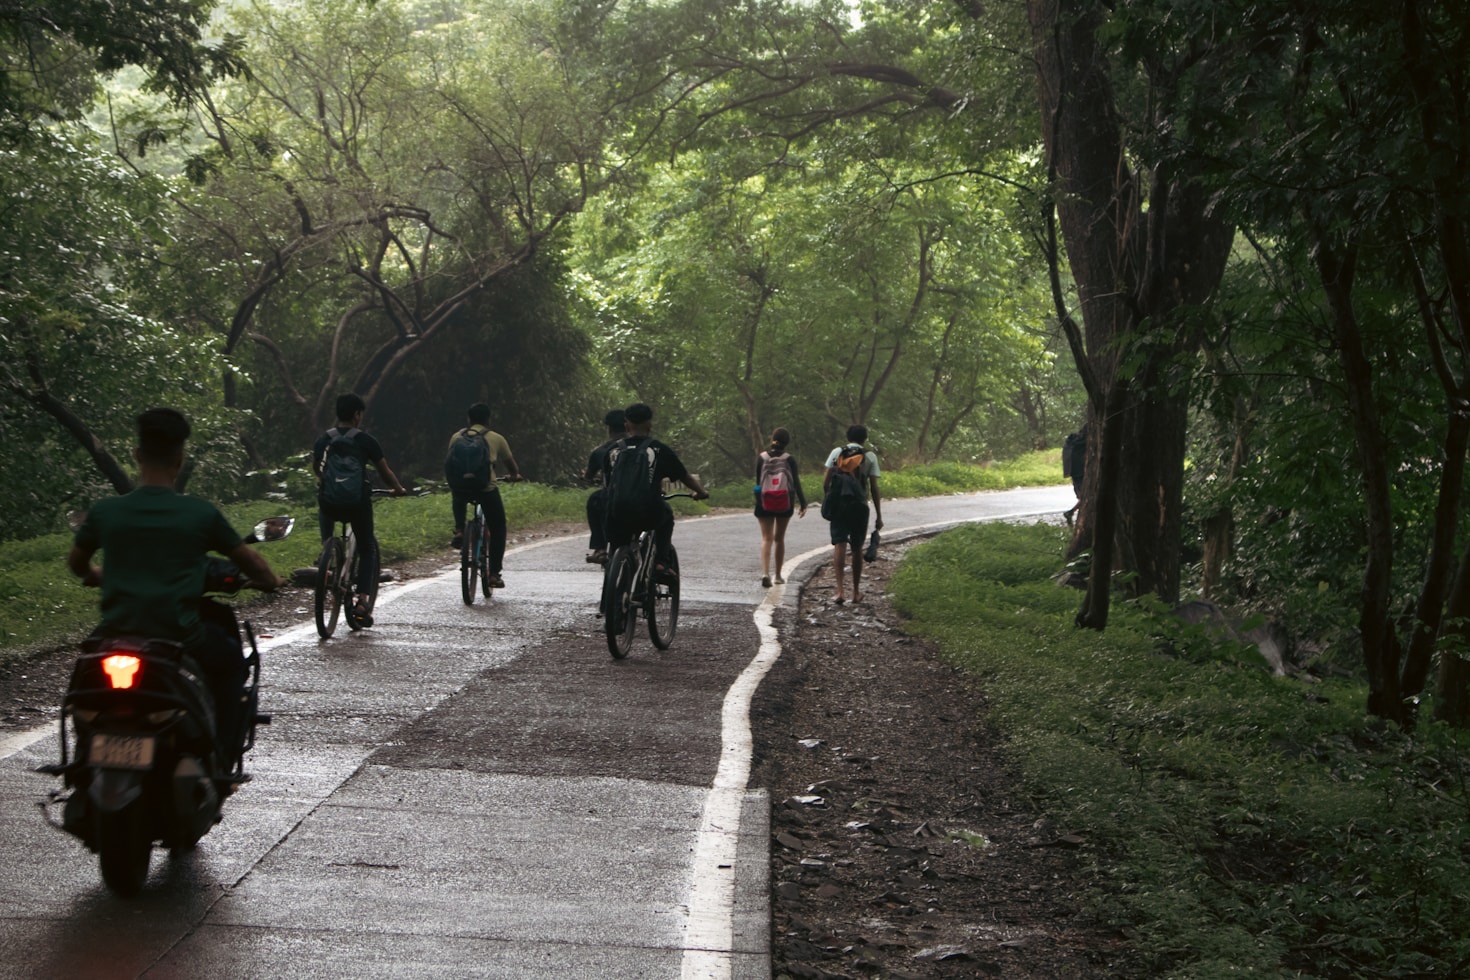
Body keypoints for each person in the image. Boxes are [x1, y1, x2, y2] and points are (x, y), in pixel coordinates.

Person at [67, 407, 287, 769]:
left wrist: (97, 574)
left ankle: (82, 754)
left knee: (83, 675)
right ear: (180, 458)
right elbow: (251, 561)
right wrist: (270, 581)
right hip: (182, 637)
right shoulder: (199, 514)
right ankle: (220, 763)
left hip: (115, 635)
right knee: (232, 665)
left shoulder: (106, 511)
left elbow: (77, 563)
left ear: (137, 454)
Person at [311, 393, 408, 625]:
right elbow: (384, 472)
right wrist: (397, 489)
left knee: (324, 503)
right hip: (357, 504)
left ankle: (327, 551)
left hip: (330, 504)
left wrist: (330, 484)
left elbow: (317, 469)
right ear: (356, 415)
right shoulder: (366, 441)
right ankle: (363, 601)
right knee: (367, 547)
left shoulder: (324, 439)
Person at [604, 402, 709, 579]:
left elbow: (608, 482)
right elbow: (684, 476)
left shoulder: (612, 450)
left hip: (616, 511)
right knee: (666, 516)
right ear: (649, 425)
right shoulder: (659, 449)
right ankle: (661, 562)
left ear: (627, 425)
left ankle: (613, 561)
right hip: (648, 512)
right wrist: (701, 492)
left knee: (616, 532)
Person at [445, 402, 522, 589]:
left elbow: (451, 463)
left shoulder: (456, 437)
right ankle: (494, 574)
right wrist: (514, 476)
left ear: (469, 419)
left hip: (461, 487)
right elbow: (512, 467)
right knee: (498, 527)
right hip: (486, 489)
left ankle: (460, 529)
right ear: (488, 419)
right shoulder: (496, 438)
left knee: (458, 494)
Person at [823, 424, 883, 605]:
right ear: (865, 438)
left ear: (848, 437)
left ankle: (840, 591)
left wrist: (829, 499)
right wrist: (879, 515)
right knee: (857, 547)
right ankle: (856, 592)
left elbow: (826, 482)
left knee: (839, 544)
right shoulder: (870, 456)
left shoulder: (837, 453)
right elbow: (874, 488)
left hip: (839, 505)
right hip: (859, 506)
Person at [754, 427, 807, 587]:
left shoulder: (762, 458)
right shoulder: (789, 459)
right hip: (785, 501)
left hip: (764, 501)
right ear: (787, 443)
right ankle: (777, 575)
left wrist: (758, 500)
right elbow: (795, 483)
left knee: (766, 538)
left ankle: (765, 573)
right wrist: (803, 502)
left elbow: (758, 482)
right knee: (779, 539)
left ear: (772, 439)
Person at [583, 408, 625, 565]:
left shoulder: (601, 451)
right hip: (640, 498)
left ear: (609, 428)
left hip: (611, 498)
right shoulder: (643, 447)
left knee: (594, 500)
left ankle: (600, 548)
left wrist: (587, 478)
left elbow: (588, 476)